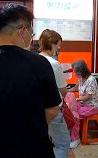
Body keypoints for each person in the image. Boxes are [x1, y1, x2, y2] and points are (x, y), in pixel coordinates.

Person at [0, 4, 61, 157]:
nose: (31, 36)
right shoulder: (40, 64)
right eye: (31, 31)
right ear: (22, 31)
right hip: (33, 149)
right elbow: (52, 110)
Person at [38, 29, 71, 158]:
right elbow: (63, 91)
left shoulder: (33, 59)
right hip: (52, 109)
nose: (59, 48)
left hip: (37, 109)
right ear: (52, 44)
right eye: (58, 45)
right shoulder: (54, 64)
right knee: (63, 144)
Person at [67, 60, 98, 148]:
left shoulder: (91, 80)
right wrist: (65, 91)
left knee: (75, 116)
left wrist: (76, 99)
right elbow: (75, 88)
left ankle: (76, 139)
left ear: (82, 71)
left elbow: (88, 97)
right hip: (83, 104)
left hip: (92, 106)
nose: (74, 74)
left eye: (76, 72)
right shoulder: (81, 78)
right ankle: (72, 134)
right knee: (69, 111)